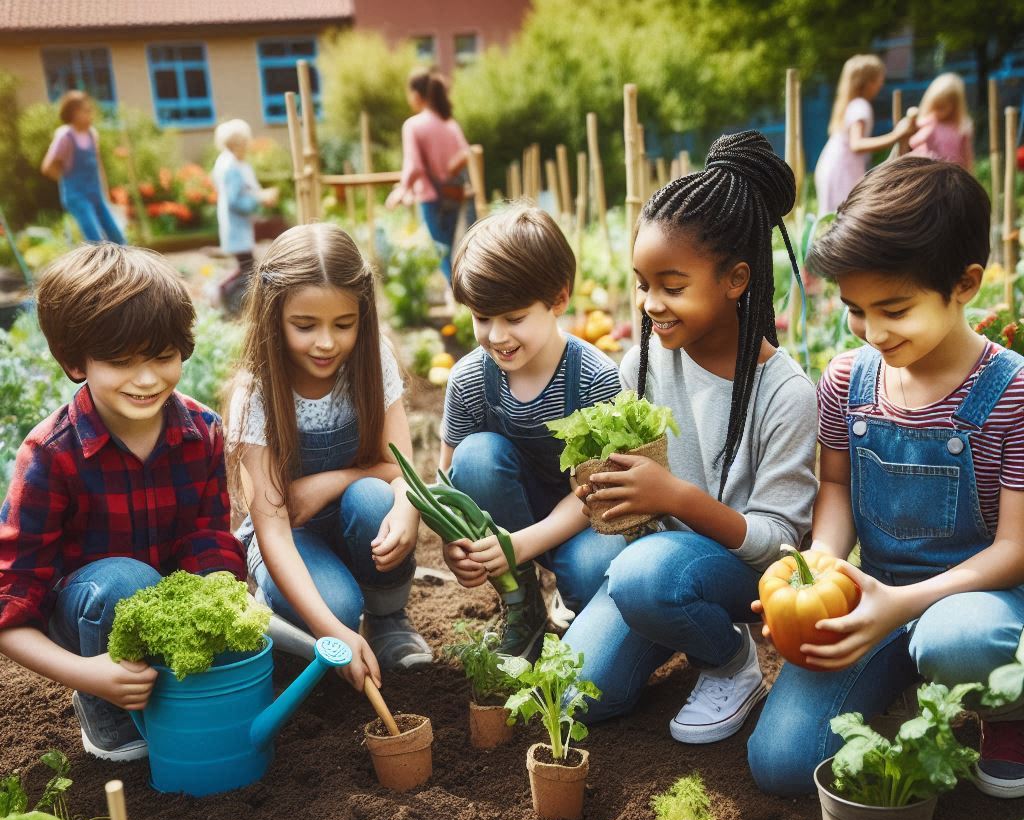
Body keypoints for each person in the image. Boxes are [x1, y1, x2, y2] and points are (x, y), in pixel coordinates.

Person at [748, 158, 1024, 799]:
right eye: (854, 310)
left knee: (958, 639)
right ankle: (904, 681)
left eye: (894, 309)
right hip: (878, 596)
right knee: (783, 764)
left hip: (985, 604)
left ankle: (1010, 712)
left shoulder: (1011, 393)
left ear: (965, 284)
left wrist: (904, 605)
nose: (872, 332)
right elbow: (837, 489)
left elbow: (1014, 550)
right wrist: (818, 570)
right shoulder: (848, 381)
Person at [563, 131, 819, 740]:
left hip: (740, 577)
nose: (651, 303)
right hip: (657, 561)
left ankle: (730, 661)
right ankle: (677, 628)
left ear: (735, 280)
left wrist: (674, 497)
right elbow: (634, 495)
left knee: (642, 577)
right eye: (643, 283)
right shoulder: (642, 366)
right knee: (573, 696)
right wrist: (607, 492)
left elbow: (783, 547)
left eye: (672, 286)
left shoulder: (785, 394)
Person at [0, 244, 245, 760]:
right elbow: (10, 603)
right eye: (121, 362)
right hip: (90, 613)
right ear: (74, 361)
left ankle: (174, 686)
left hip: (170, 603)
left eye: (162, 357)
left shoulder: (202, 432)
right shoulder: (52, 455)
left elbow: (207, 538)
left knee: (222, 577)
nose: (147, 378)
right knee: (126, 584)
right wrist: (90, 673)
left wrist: (223, 597)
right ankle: (104, 706)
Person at [225, 223, 431, 681]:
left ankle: (387, 619)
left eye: (344, 324)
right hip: (289, 540)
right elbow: (274, 529)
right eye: (305, 325)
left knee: (376, 500)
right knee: (337, 606)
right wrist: (332, 631)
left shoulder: (372, 362)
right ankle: (291, 605)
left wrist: (337, 484)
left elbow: (400, 471)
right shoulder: (257, 392)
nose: (325, 342)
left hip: (354, 521)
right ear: (274, 316)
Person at [439, 205, 625, 657]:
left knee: (592, 573)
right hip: (508, 511)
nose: (496, 335)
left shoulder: (595, 378)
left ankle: (573, 600)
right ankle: (523, 605)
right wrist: (453, 544)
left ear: (558, 300)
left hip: (582, 517)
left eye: (515, 318)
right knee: (477, 455)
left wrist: (518, 544)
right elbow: (447, 478)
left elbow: (596, 491)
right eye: (482, 318)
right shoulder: (469, 379)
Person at [386, 69, 473, 284]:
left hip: (431, 196)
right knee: (451, 250)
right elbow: (465, 154)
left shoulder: (413, 125)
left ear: (416, 94)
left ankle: (460, 298)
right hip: (453, 193)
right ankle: (460, 298)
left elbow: (413, 166)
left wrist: (401, 190)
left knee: (441, 253)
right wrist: (448, 172)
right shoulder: (449, 123)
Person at [814, 55, 914, 214]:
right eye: (879, 79)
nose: (881, 84)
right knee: (846, 218)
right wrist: (897, 135)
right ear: (868, 82)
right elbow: (857, 144)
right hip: (842, 170)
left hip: (833, 166)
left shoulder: (851, 104)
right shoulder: (860, 106)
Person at [211, 119, 279, 314]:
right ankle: (223, 294)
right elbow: (235, 201)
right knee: (248, 268)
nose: (248, 146)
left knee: (245, 266)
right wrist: (259, 200)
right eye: (245, 142)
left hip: (237, 226)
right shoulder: (231, 167)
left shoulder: (229, 162)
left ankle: (225, 295)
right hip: (236, 227)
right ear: (236, 143)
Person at [40, 90, 126, 244]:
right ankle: (97, 267)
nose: (90, 115)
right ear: (73, 113)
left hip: (95, 193)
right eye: (85, 112)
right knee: (95, 238)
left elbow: (98, 165)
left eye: (90, 111)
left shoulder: (92, 134)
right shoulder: (65, 136)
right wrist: (69, 182)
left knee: (116, 235)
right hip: (77, 196)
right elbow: (48, 167)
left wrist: (105, 192)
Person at [909, 73, 974, 170]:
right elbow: (913, 142)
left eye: (942, 107)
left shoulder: (961, 127)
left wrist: (969, 174)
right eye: (935, 107)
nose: (937, 112)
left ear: (954, 107)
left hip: (952, 172)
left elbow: (967, 155)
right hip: (928, 170)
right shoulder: (928, 122)